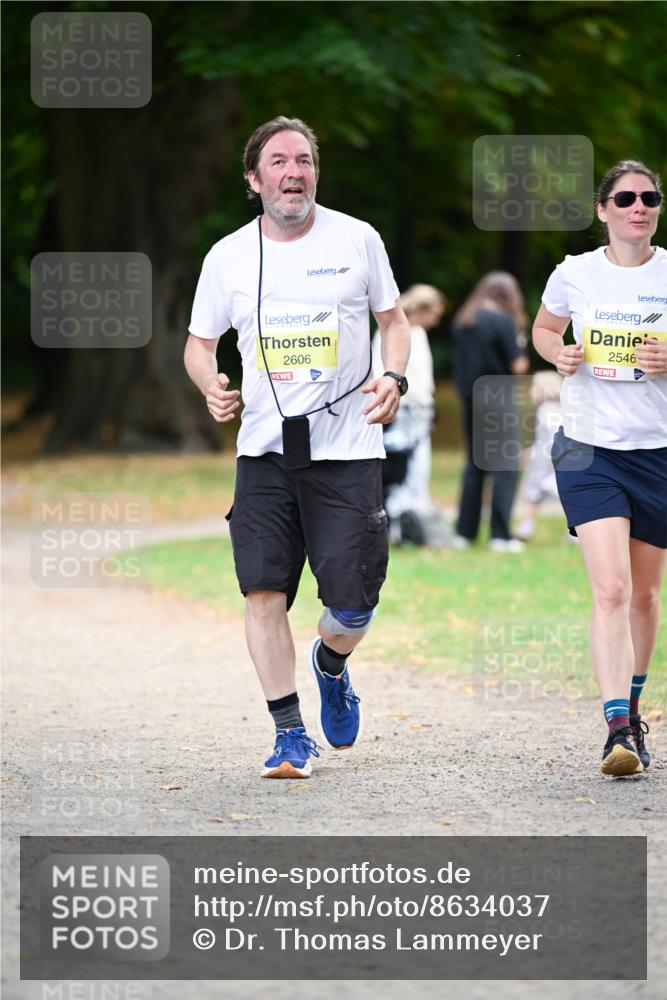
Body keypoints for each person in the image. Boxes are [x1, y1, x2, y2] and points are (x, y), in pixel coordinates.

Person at [184, 116, 410, 779]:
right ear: (254, 181)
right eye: (278, 162)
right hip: (263, 450)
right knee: (263, 593)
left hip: (348, 449)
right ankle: (289, 733)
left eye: (304, 160)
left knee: (352, 605)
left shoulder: (357, 239)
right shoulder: (227, 256)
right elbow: (199, 343)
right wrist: (210, 385)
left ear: (315, 172)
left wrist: (393, 377)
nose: (294, 171)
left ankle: (332, 663)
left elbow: (391, 322)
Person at [532, 159, 667, 777]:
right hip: (588, 448)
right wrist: (556, 352)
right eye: (626, 197)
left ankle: (634, 712)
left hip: (657, 450)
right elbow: (543, 327)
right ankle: (616, 726)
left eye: (650, 197)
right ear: (603, 209)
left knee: (643, 592)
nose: (639, 206)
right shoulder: (575, 273)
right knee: (610, 588)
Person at [450, 272, 529, 551]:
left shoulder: (464, 319)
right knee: (506, 466)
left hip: (470, 397)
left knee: (475, 465)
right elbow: (518, 365)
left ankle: (464, 532)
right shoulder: (503, 321)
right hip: (498, 396)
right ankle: (501, 535)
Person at [371, 284, 446, 544]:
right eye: (434, 314)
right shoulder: (389, 334)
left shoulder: (419, 334)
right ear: (422, 309)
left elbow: (425, 378)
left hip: (420, 412)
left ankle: (412, 524)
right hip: (401, 410)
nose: (436, 321)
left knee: (418, 470)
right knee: (398, 470)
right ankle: (395, 524)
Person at [515, 370, 563, 542]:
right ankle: (525, 527)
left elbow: (552, 439)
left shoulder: (548, 411)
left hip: (549, 464)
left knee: (538, 493)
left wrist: (535, 453)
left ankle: (577, 532)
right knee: (534, 495)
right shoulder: (551, 409)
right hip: (547, 462)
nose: (531, 392)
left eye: (534, 388)